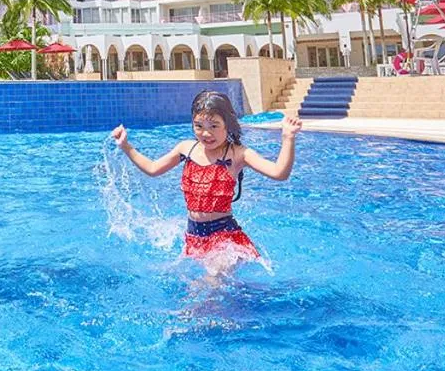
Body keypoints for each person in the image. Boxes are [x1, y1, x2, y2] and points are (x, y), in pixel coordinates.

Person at [111, 90, 302, 267]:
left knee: (211, 281)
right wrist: (126, 146)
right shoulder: (186, 148)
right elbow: (153, 168)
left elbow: (279, 173)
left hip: (224, 236)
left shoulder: (238, 154)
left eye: (214, 126)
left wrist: (288, 138)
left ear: (228, 124)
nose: (206, 133)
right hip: (193, 235)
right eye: (199, 126)